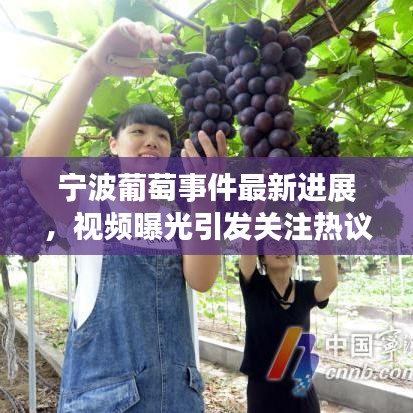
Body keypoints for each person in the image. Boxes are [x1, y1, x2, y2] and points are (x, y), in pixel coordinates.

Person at [22, 18, 226, 413]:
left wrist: (205, 196)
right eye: (138, 132)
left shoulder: (178, 220)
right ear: (113, 145)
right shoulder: (89, 206)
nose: (152, 141)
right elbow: (36, 172)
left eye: (162, 136)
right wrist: (91, 67)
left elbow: (202, 280)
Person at [239, 205, 338, 413]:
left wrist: (320, 233)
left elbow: (330, 283)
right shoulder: (254, 287)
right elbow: (247, 246)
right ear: (262, 258)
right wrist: (259, 205)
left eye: (287, 243)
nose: (281, 247)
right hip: (264, 391)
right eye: (273, 244)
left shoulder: (305, 291)